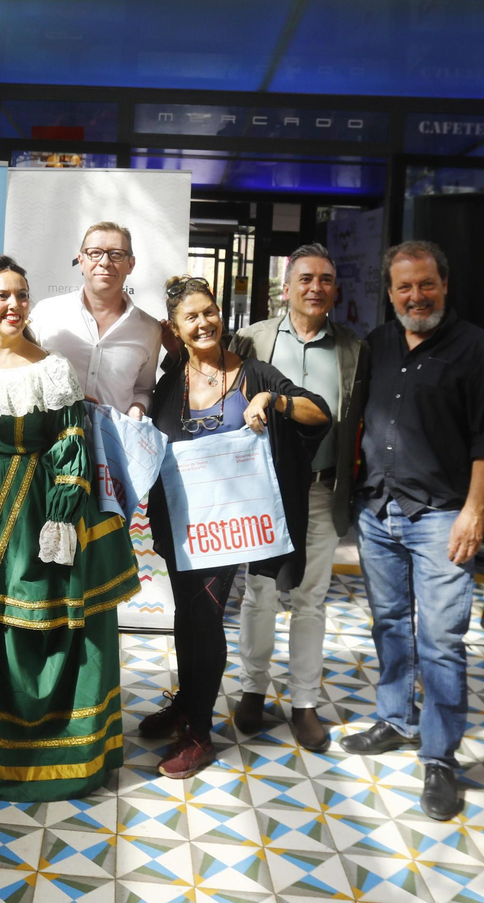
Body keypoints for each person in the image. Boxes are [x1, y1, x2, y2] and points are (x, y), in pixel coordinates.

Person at [0, 254, 140, 799]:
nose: (15, 304)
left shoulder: (52, 368)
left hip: (31, 505)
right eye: (2, 295)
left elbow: (70, 441)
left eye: (21, 294)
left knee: (28, 621)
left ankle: (32, 751)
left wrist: (62, 514)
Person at [341, 240, 484, 822]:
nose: (416, 296)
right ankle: (393, 718)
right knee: (389, 623)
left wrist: (474, 511)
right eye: (404, 287)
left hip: (441, 515)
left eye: (426, 284)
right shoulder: (378, 344)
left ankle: (439, 758)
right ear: (389, 294)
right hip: (378, 509)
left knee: (440, 639)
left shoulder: (476, 348)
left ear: (444, 284)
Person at [140, 277, 330, 779]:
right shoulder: (171, 379)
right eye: (191, 318)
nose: (203, 323)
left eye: (209, 313)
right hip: (183, 522)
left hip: (230, 527)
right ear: (176, 329)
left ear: (222, 314)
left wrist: (274, 402)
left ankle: (199, 733)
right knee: (187, 617)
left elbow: (320, 413)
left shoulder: (255, 373)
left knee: (204, 620)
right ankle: (185, 704)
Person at [228, 244, 370, 752]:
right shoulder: (251, 339)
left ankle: (305, 703)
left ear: (335, 289)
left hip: (322, 490)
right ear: (285, 288)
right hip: (263, 492)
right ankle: (251, 689)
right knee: (260, 593)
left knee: (311, 599)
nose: (316, 287)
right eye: (306, 278)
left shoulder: (354, 348)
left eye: (326, 279)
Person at [30, 222, 162, 419]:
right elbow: (21, 372)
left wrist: (138, 408)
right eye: (95, 253)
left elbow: (143, 389)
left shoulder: (149, 329)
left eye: (116, 254)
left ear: (131, 264)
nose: (105, 262)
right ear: (81, 261)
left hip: (112, 444)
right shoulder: (46, 312)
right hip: (50, 441)